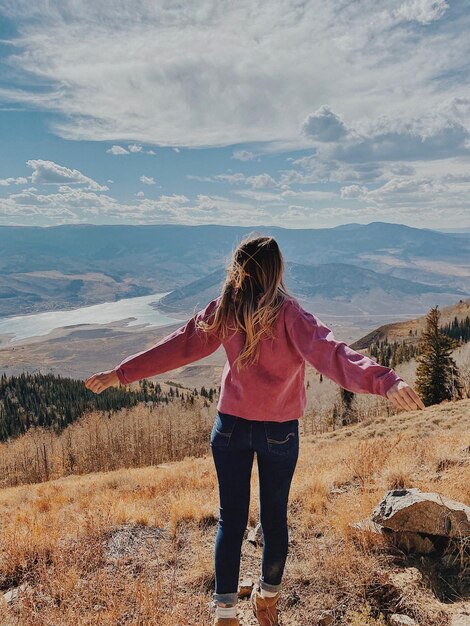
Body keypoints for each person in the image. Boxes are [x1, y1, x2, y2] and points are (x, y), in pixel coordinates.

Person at [85, 234, 425, 626]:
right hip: (279, 432)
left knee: (231, 521)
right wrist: (386, 381)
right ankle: (266, 601)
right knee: (275, 519)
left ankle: (225, 613)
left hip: (229, 429)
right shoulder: (291, 315)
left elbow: (178, 346)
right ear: (277, 270)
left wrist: (119, 374)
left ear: (238, 268)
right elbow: (334, 355)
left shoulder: (225, 310)